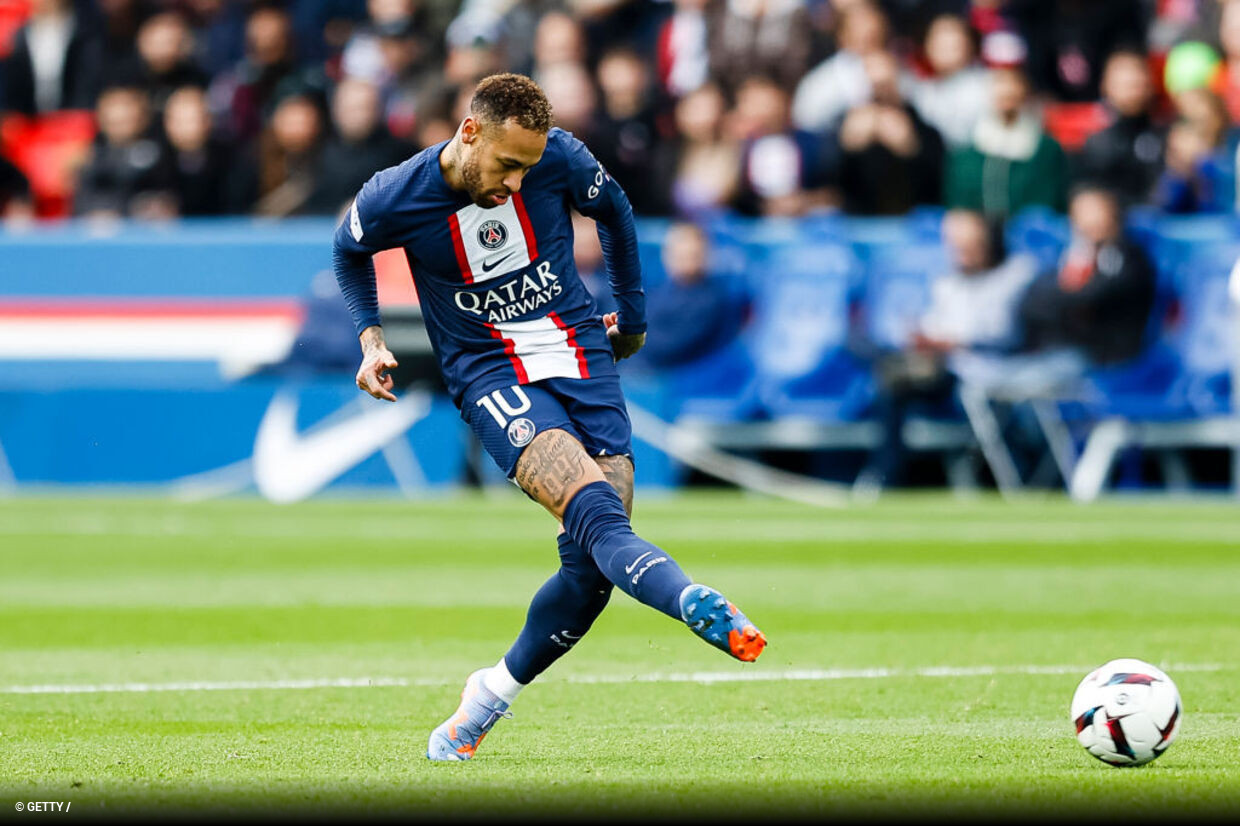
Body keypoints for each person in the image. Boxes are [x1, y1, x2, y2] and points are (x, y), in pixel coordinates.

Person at [332, 73, 766, 763]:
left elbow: (616, 211)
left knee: (595, 567)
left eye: (527, 169)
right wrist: (371, 336)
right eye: (507, 165)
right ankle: (689, 598)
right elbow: (349, 250)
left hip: (580, 353)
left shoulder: (558, 155)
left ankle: (486, 697)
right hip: (489, 371)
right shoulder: (396, 193)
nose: (515, 183)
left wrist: (634, 317)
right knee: (595, 513)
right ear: (469, 133)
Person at [857, 209, 1039, 489]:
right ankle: (884, 474)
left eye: (971, 246)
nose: (962, 254)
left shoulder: (1017, 273)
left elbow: (1005, 332)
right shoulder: (948, 282)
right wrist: (923, 337)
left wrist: (954, 341)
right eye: (957, 247)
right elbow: (934, 324)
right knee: (891, 381)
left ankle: (1022, 477)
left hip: (993, 370)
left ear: (989, 242)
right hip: (949, 371)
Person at [944, 65, 1069, 218]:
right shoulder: (966, 152)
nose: (1007, 91)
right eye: (999, 82)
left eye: (1014, 83)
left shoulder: (1046, 149)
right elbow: (958, 204)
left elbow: (1048, 204)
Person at [1075, 49, 1166, 207]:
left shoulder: (1168, 137)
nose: (1133, 91)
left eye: (1138, 83)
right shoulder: (1096, 145)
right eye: (1126, 84)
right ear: (1106, 86)